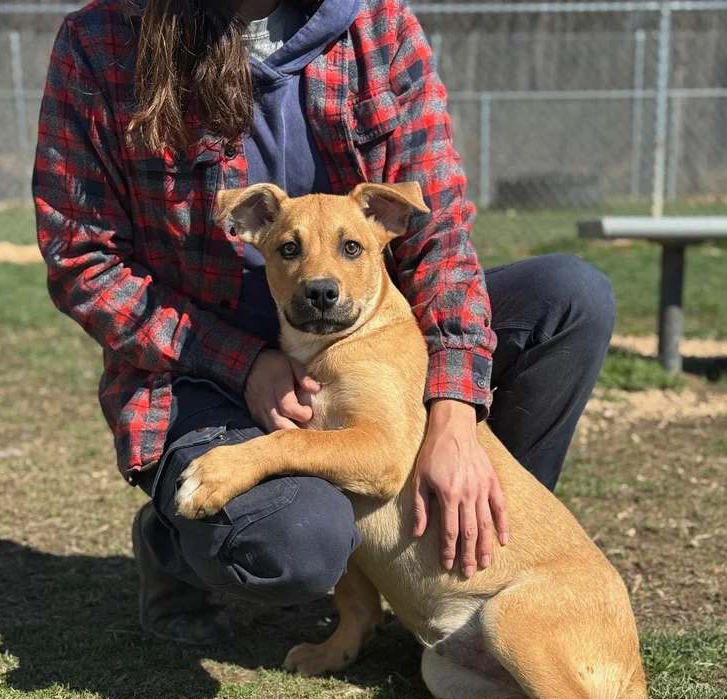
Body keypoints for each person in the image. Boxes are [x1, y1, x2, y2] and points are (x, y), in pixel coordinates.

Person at [33, 0, 615, 645]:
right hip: (197, 368)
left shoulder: (379, 24)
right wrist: (242, 361)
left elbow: (438, 232)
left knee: (569, 297)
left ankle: (474, 559)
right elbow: (82, 260)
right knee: (295, 543)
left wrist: (456, 417)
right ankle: (179, 537)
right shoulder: (104, 38)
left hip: (363, 338)